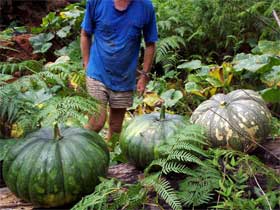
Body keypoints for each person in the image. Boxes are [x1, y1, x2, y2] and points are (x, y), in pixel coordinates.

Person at [80, 0, 158, 140]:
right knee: (96, 123)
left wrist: (144, 75)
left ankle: (109, 158)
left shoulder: (145, 6)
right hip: (97, 72)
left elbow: (150, 43)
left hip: (125, 76)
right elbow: (85, 34)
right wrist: (86, 63)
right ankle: (79, 151)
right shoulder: (96, 2)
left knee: (116, 129)